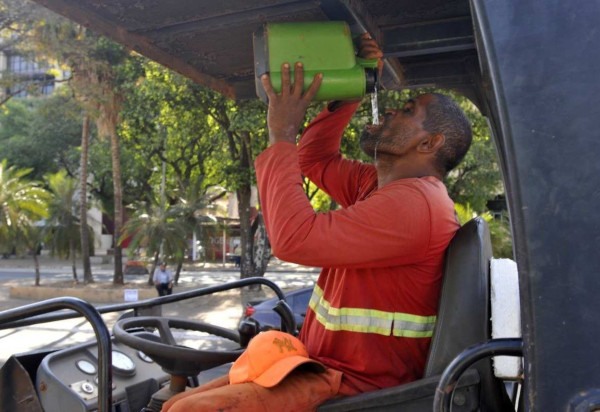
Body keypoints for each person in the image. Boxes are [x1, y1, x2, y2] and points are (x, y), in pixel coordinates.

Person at [163, 34, 472, 411]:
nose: (390, 111)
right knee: (176, 403)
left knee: (185, 410)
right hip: (323, 368)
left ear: (430, 144)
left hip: (355, 387)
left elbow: (294, 239)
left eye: (407, 111)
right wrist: (350, 90)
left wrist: (281, 133)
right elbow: (316, 160)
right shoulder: (382, 186)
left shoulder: (416, 204)